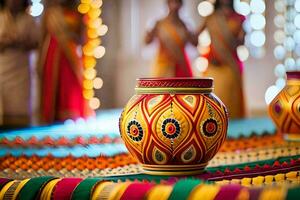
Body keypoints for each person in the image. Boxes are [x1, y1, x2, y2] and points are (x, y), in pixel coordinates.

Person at [39, 0, 92, 124]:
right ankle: (53, 116)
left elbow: (83, 38)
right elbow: (42, 38)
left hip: (71, 54)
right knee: (53, 83)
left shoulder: (78, 13)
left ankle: (72, 115)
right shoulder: (50, 14)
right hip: (53, 54)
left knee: (70, 84)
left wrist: (73, 36)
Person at [199, 0, 246, 119]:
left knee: (231, 101)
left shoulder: (238, 18)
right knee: (213, 99)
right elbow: (194, 38)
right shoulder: (211, 18)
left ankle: (234, 133)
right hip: (214, 65)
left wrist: (239, 37)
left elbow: (241, 42)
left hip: (231, 65)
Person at [0, 0, 39, 127]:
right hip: (3, 69)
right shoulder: (1, 17)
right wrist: (6, 42)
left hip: (22, 70)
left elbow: (36, 43)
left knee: (20, 105)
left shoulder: (29, 20)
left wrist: (21, 43)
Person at [145, 0, 198, 77]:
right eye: (172, 2)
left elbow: (195, 43)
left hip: (181, 65)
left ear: (181, 5)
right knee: (162, 89)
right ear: (167, 4)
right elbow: (147, 41)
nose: (175, 5)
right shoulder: (159, 24)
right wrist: (149, 34)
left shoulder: (184, 25)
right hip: (163, 66)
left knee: (183, 88)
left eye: (177, 2)